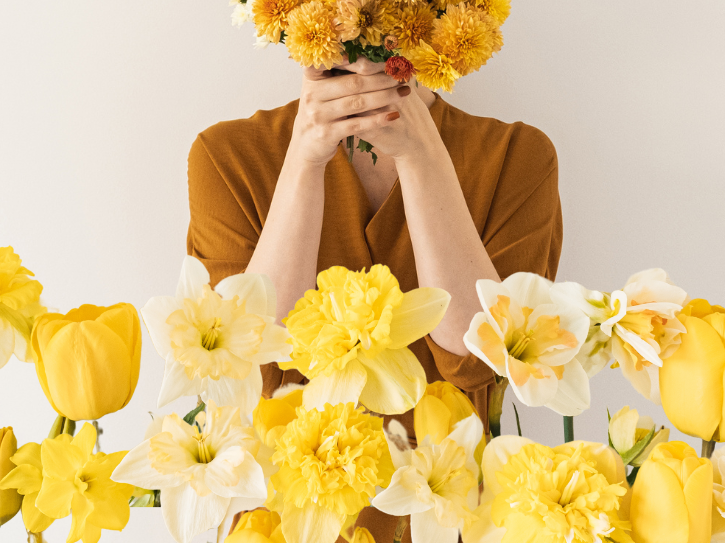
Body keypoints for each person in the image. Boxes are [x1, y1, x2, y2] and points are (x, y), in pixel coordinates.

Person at [186, 56, 562, 542]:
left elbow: (479, 361)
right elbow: (251, 367)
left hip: (446, 516)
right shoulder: (227, 155)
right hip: (282, 519)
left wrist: (420, 156)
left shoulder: (517, 156)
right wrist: (305, 160)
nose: (363, 55)